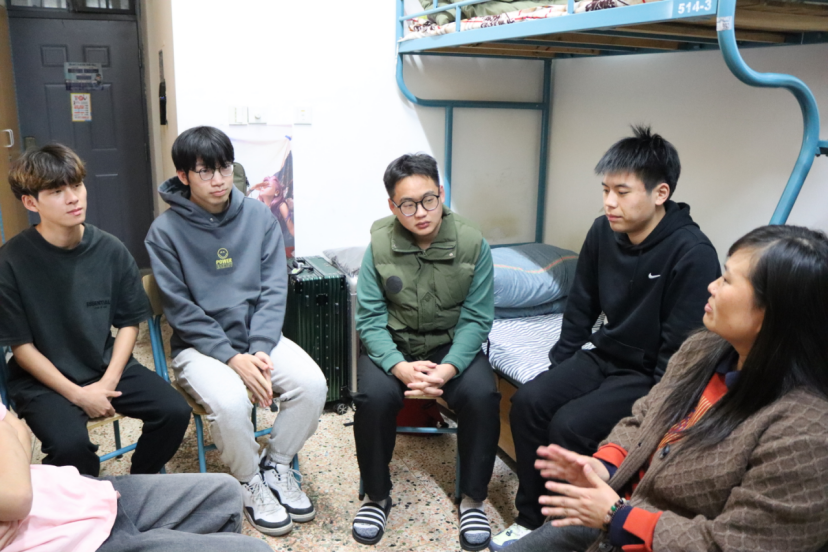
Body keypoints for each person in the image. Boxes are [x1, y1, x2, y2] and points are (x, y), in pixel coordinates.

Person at [506, 224, 828, 552]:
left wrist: (617, 516)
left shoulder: (806, 433)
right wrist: (604, 465)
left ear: (771, 312)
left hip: (644, 529)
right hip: (614, 513)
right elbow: (646, 415)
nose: (712, 286)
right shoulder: (703, 348)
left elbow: (738, 544)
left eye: (728, 280)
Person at [492, 126, 720, 550]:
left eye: (622, 192)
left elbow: (681, 356)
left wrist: (658, 413)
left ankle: (568, 530)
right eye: (605, 190)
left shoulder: (692, 253)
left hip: (648, 373)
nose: (609, 202)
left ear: (661, 193)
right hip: (605, 352)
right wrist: (558, 369)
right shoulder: (602, 232)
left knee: (570, 424)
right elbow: (581, 304)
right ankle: (531, 518)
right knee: (529, 402)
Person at [145, 126, 328, 537]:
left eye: (225, 168)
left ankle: (276, 464)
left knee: (313, 385)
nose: (219, 180)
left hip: (258, 338)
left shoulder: (259, 216)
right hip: (200, 348)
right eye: (205, 171)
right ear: (183, 175)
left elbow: (274, 289)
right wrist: (232, 358)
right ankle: (248, 481)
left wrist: (258, 349)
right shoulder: (164, 232)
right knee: (230, 403)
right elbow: (181, 310)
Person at [0, 144, 190, 477]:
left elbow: (129, 323)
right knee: (70, 447)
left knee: (173, 411)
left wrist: (108, 381)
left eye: (77, 185)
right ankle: (83, 498)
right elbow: (22, 348)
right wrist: (78, 395)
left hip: (102, 365)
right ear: (31, 203)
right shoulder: (10, 261)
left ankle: (139, 485)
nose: (73, 198)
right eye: (57, 191)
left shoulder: (110, 250)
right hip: (41, 381)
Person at [352, 153, 500, 551]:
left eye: (429, 200)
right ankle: (377, 497)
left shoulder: (472, 242)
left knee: (483, 396)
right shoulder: (378, 244)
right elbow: (370, 319)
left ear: (441, 193)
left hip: (451, 343)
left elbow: (477, 317)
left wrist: (450, 367)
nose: (421, 213)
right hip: (395, 345)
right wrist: (398, 366)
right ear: (392, 206)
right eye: (408, 204)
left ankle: (473, 500)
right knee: (371, 398)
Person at [0, 400, 274, 552]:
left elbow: (14, 427)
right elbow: (18, 497)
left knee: (225, 492)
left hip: (66, 494)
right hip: (59, 542)